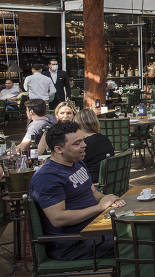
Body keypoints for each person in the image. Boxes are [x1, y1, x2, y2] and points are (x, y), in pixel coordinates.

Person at [29, 121, 125, 261]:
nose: (84, 145)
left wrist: (107, 199)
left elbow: (93, 192)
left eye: (83, 140)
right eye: (77, 143)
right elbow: (58, 218)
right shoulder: (47, 177)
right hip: (73, 244)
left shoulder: (77, 162)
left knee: (146, 228)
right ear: (58, 149)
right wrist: (99, 207)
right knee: (139, 241)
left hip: (95, 229)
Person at [74, 108, 115, 183]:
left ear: (78, 124)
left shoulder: (84, 144)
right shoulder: (105, 139)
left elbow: (72, 164)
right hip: (107, 179)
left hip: (88, 181)